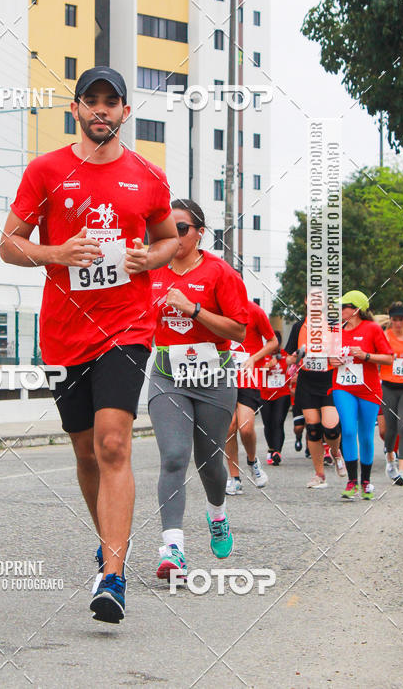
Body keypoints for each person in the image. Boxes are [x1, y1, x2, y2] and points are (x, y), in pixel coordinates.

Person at [0, 66, 178, 622]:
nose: (101, 109)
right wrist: (56, 253)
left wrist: (151, 257)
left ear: (126, 111)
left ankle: (113, 577)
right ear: (75, 109)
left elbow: (169, 239)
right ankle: (108, 541)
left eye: (111, 101)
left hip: (127, 327)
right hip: (64, 335)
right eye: (91, 100)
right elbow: (8, 245)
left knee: (113, 444)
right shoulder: (46, 171)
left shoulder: (149, 176)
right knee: (85, 452)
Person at [147, 200, 248, 579]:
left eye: (182, 228)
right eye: (166, 228)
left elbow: (239, 331)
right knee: (174, 456)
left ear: (200, 233)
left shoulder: (220, 273)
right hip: (168, 376)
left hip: (213, 378)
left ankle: (217, 513)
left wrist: (194, 310)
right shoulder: (151, 270)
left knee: (209, 462)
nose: (174, 235)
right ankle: (173, 549)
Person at [329, 290, 393, 500]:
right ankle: (351, 482)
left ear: (355, 310)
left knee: (365, 436)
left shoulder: (372, 329)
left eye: (343, 306)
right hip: (343, 387)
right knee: (348, 430)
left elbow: (388, 358)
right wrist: (332, 360)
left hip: (368, 389)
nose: (339, 310)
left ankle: (365, 481)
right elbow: (329, 357)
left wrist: (366, 356)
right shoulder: (336, 330)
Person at [285, 296, 346, 488]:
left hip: (329, 380)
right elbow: (288, 359)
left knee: (331, 428)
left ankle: (336, 453)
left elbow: (343, 354)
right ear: (305, 301)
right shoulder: (299, 327)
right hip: (307, 381)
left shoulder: (333, 326)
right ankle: (319, 474)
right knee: (312, 429)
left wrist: (338, 359)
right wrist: (294, 358)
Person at [225, 300, 277, 494]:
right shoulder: (217, 309)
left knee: (245, 428)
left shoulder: (254, 311)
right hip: (224, 376)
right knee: (229, 427)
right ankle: (234, 478)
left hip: (249, 377)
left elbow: (273, 341)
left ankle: (252, 461)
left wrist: (254, 358)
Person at [379, 302, 403, 485]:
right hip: (388, 386)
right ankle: (390, 460)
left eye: (401, 319)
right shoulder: (384, 337)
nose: (398, 323)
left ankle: (402, 471)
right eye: (395, 320)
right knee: (390, 430)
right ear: (391, 320)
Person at [260, 331, 292, 465]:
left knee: (278, 421)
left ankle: (277, 452)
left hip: (282, 393)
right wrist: (266, 368)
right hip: (264, 394)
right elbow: (254, 372)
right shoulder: (261, 355)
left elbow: (294, 365)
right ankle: (271, 448)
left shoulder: (285, 355)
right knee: (268, 423)